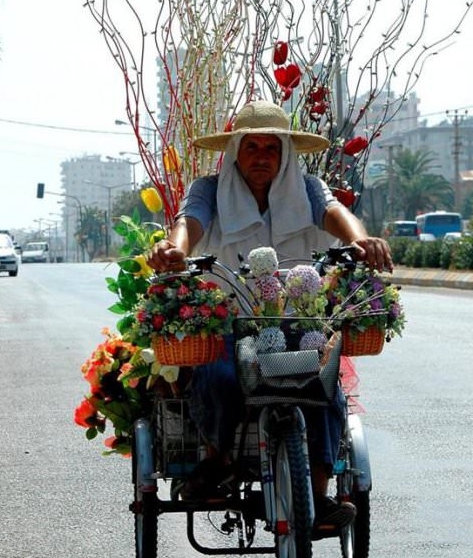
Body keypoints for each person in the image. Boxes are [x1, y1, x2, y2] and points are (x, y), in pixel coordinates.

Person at [148, 99, 393, 532]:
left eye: (271, 148)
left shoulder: (310, 188)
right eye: (251, 146)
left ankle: (317, 493)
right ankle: (217, 460)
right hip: (232, 319)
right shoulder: (209, 189)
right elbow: (190, 223)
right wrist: (175, 250)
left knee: (322, 382)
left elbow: (338, 215)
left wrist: (363, 240)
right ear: (235, 152)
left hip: (297, 321)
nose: (261, 156)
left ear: (285, 155)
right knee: (221, 375)